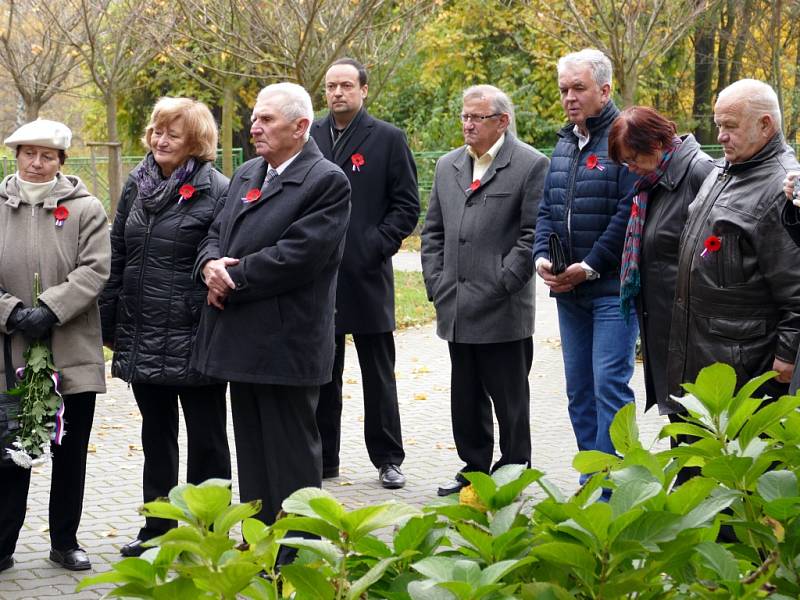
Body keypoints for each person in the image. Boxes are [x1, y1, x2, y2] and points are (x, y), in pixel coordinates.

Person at [191, 83, 350, 533]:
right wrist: (208, 266)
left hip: (287, 344)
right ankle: (259, 543)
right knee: (254, 453)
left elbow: (298, 256)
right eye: (255, 119)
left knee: (291, 457)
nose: (254, 128)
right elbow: (214, 232)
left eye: (266, 120)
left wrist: (231, 278)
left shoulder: (327, 181)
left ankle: (297, 549)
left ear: (301, 127)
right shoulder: (247, 174)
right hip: (241, 340)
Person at [99, 98, 231, 558]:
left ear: (196, 141)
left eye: (172, 134)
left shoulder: (217, 188)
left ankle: (208, 531)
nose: (160, 140)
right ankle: (157, 529)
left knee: (208, 441)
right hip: (141, 330)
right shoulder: (136, 186)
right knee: (156, 438)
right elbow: (117, 253)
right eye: (157, 131)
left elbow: (220, 256)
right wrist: (107, 320)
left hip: (196, 334)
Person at [421, 85, 549, 496]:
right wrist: (437, 283)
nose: (468, 124)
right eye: (464, 116)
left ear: (502, 121)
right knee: (466, 395)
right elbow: (433, 232)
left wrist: (503, 282)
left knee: (510, 400)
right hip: (455, 305)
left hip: (502, 307)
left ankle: (512, 473)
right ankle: (473, 468)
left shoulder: (530, 165)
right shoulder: (447, 166)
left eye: (477, 118)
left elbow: (532, 235)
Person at [0, 119, 110, 572]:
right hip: (10, 354)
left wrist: (50, 308)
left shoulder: (86, 208)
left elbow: (96, 268)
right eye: (29, 153)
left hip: (71, 351)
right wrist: (10, 312)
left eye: (48, 156)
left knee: (70, 454)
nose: (37, 163)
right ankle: (3, 543)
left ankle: (64, 540)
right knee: (10, 454)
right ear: (17, 155)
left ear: (61, 161)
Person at [310, 57, 419, 489]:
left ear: (364, 90)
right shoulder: (310, 134)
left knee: (378, 375)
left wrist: (374, 245)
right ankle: (324, 460)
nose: (338, 93)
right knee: (322, 373)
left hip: (367, 276)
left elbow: (407, 206)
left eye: (346, 86)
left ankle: (388, 458)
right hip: (318, 278)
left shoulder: (388, 138)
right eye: (331, 86)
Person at [532, 48, 638, 461]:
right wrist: (542, 256)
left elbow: (628, 213)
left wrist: (590, 266)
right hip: (568, 292)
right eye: (564, 90)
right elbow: (546, 211)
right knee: (578, 388)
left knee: (608, 384)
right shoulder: (563, 143)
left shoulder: (624, 138)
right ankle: (594, 478)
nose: (569, 97)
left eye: (579, 88)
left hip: (611, 290)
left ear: (605, 89)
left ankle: (622, 486)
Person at [667, 79, 800, 400]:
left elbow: (796, 286)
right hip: (704, 353)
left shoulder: (783, 188)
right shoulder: (724, 168)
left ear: (765, 125)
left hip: (746, 367)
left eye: (730, 126)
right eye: (718, 125)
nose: (720, 136)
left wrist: (788, 352)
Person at [607, 107, 714, 416]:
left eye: (632, 159)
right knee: (680, 432)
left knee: (698, 432)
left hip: (694, 335)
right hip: (667, 329)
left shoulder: (699, 173)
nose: (630, 169)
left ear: (655, 145)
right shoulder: (652, 182)